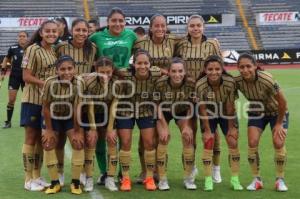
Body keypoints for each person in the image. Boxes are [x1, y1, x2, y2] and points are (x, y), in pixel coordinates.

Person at [89, 7, 137, 185]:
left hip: (124, 91)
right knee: (102, 134)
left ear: (125, 22)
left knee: (119, 135)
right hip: (102, 90)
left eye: (121, 21)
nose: (117, 24)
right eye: (114, 20)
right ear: (107, 22)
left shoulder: (131, 36)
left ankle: (117, 172)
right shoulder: (96, 37)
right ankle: (104, 171)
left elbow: (142, 53)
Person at [175, 15, 223, 183]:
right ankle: (191, 167)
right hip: (186, 93)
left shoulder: (213, 44)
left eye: (198, 25)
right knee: (189, 133)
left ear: (203, 27)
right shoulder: (180, 44)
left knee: (213, 133)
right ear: (187, 28)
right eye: (192, 26)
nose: (195, 28)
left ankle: (216, 169)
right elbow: (175, 64)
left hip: (208, 94)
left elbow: (219, 68)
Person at [133, 14, 181, 182]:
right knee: (146, 137)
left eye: (163, 26)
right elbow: (134, 64)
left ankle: (160, 171)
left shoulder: (174, 41)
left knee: (162, 136)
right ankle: (145, 170)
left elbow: (190, 44)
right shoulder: (139, 43)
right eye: (157, 26)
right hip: (148, 93)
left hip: (169, 93)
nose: (160, 29)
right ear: (151, 27)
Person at [235, 53, 289, 192]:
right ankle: (256, 179)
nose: (245, 70)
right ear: (238, 68)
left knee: (278, 142)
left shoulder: (267, 79)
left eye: (248, 66)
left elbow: (283, 102)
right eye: (242, 67)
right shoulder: (238, 81)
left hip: (277, 112)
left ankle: (280, 179)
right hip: (257, 111)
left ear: (255, 66)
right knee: (252, 142)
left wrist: (278, 124)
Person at [109, 49, 161, 191]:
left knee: (149, 143)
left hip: (146, 110)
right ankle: (125, 178)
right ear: (134, 64)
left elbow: (168, 73)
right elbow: (109, 73)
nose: (143, 66)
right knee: (125, 143)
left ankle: (149, 177)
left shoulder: (155, 72)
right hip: (125, 110)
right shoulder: (124, 74)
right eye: (139, 63)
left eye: (146, 63)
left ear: (150, 64)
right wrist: (111, 127)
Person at [56, 18, 97, 190]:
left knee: (84, 141)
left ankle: (85, 175)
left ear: (88, 32)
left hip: (85, 101)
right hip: (61, 100)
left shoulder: (93, 48)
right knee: (59, 140)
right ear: (71, 30)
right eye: (78, 30)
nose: (81, 33)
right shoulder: (61, 47)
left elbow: (97, 70)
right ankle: (59, 174)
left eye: (84, 30)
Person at [195, 55, 243, 191]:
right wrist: (207, 130)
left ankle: (235, 179)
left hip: (226, 113)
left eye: (217, 68)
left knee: (233, 141)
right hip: (208, 113)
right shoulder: (200, 84)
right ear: (205, 70)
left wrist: (231, 128)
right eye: (210, 69)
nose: (214, 72)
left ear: (222, 69)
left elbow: (230, 107)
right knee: (208, 142)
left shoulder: (229, 82)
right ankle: (208, 180)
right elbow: (202, 108)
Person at [21, 19, 58, 191]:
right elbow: (26, 76)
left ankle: (37, 175)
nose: (51, 34)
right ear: (41, 32)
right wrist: (45, 84)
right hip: (33, 100)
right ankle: (28, 179)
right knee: (31, 138)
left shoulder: (54, 51)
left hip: (47, 102)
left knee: (41, 140)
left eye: (54, 31)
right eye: (48, 31)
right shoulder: (32, 49)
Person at [41, 55, 85, 195]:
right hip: (53, 116)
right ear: (57, 71)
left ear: (75, 69)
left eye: (70, 68)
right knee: (48, 143)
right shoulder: (49, 82)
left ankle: (75, 182)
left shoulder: (79, 82)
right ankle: (55, 183)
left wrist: (77, 131)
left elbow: (78, 107)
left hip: (70, 117)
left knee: (78, 143)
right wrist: (48, 129)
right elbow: (46, 107)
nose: (67, 72)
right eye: (62, 69)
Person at [154, 57, 196, 190]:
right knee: (163, 138)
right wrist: (164, 126)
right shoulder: (160, 83)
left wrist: (188, 125)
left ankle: (188, 178)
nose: (177, 74)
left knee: (188, 138)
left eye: (180, 71)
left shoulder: (191, 83)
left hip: (182, 111)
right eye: (173, 71)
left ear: (184, 72)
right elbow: (156, 104)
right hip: (163, 111)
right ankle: (162, 179)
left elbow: (191, 104)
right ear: (168, 72)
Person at [83, 56, 121, 191]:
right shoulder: (90, 82)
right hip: (90, 111)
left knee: (111, 140)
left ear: (112, 71)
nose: (105, 75)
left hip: (107, 111)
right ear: (96, 70)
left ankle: (110, 177)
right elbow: (90, 106)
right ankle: (88, 178)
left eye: (108, 72)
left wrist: (110, 128)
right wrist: (93, 128)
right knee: (91, 141)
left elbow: (114, 105)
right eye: (102, 72)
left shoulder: (117, 83)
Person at [1, 31, 28, 128]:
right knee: (11, 100)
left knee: (26, 100)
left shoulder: (31, 48)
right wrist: (3, 72)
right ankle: (8, 122)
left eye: (23, 36)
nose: (21, 38)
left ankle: (26, 121)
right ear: (17, 38)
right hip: (14, 76)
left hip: (26, 76)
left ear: (27, 38)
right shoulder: (13, 48)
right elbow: (6, 59)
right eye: (20, 36)